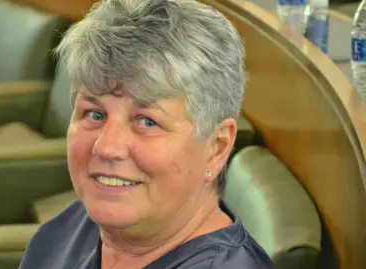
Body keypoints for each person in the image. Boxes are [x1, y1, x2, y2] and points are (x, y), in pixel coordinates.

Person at [19, 0, 274, 268]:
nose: (106, 147)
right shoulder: (73, 226)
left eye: (147, 122)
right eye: (95, 114)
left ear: (217, 147)